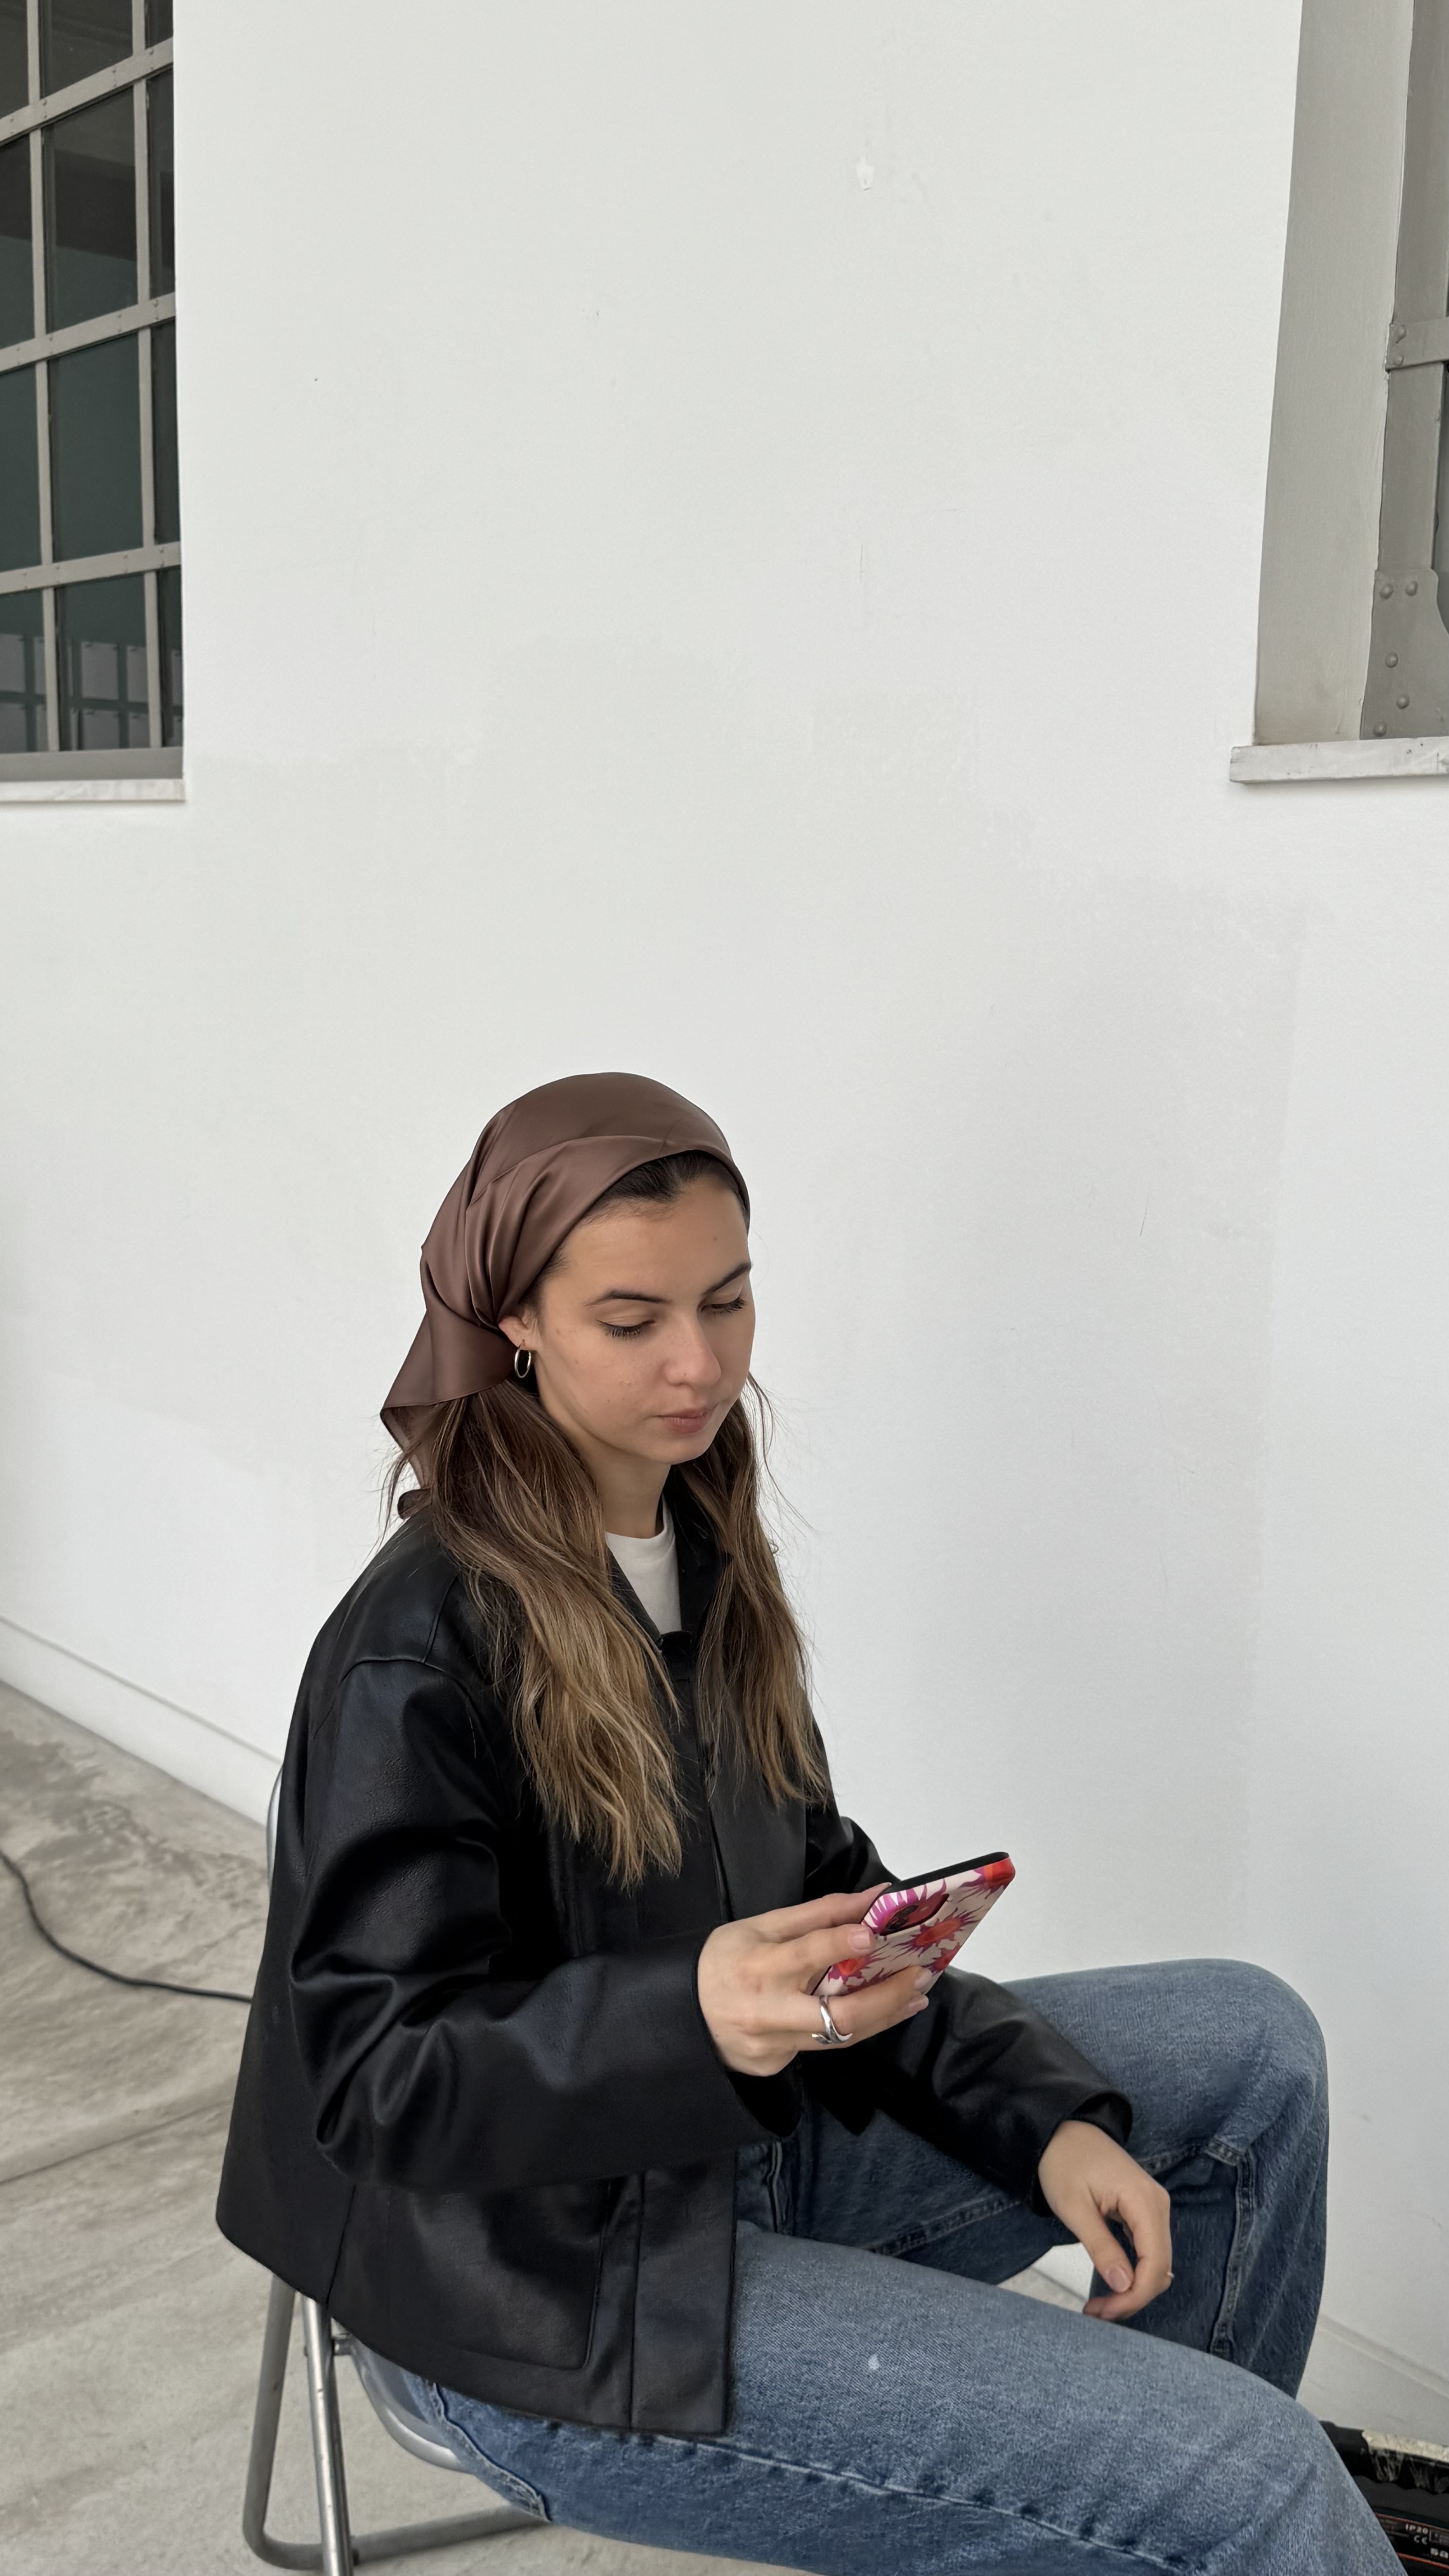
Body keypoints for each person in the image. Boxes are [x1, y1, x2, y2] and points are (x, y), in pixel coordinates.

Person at [217, 1071, 1395, 2574]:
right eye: (631, 1321)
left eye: (729, 1300)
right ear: (515, 1319)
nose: (700, 1365)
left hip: (751, 2148)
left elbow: (814, 1888)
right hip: (550, 2295)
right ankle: (1222, 2512)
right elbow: (376, 2082)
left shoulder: (696, 1532)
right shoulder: (416, 1649)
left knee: (1253, 2048)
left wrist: (1039, 2116)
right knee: (1265, 2475)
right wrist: (688, 2013)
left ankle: (1167, 2525)